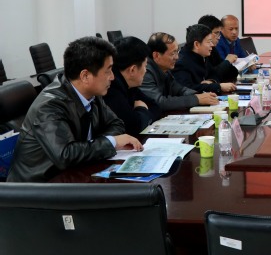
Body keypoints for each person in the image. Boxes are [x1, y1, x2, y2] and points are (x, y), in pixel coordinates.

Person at [7, 36, 143, 182]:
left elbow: (116, 124)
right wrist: (111, 142)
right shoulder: (49, 106)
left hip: (73, 175)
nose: (112, 77)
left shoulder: (92, 93)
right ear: (85, 76)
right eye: (108, 71)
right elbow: (66, 155)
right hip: (37, 187)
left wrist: (98, 144)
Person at [141, 32, 218, 112]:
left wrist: (200, 95)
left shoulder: (164, 68)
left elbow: (180, 90)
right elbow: (159, 102)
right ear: (156, 55)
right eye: (173, 53)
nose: (177, 57)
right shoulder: (144, 72)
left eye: (177, 52)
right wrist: (196, 99)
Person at [103, 36, 161, 135]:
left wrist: (140, 114)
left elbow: (156, 107)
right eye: (145, 66)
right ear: (132, 70)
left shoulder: (130, 85)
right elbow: (133, 127)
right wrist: (142, 109)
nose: (146, 71)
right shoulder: (111, 89)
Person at [173, 24, 236, 94]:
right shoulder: (182, 63)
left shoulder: (203, 55)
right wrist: (218, 87)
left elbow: (214, 73)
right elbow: (187, 89)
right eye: (209, 42)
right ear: (197, 44)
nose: (212, 45)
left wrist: (211, 81)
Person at [198, 14, 239, 83]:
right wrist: (227, 62)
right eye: (216, 33)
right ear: (205, 33)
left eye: (219, 33)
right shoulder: (197, 54)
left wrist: (227, 63)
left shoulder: (213, 49)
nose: (219, 37)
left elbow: (232, 73)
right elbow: (211, 76)